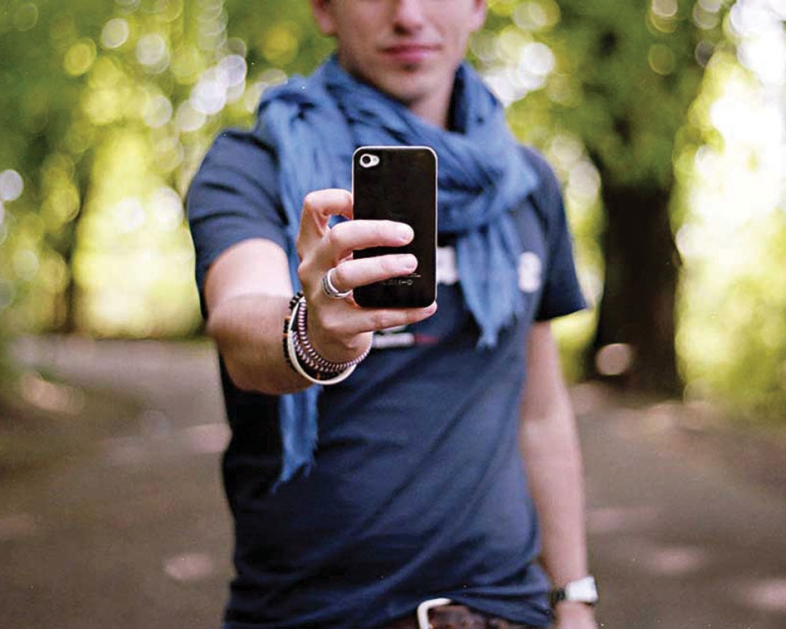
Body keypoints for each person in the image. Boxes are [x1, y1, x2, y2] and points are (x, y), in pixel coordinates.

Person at [187, 1, 598, 628]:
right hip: (310, 615)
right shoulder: (254, 164)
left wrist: (573, 598)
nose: (408, 15)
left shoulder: (525, 184)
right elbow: (241, 323)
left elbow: (540, 412)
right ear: (323, 8)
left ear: (478, 6)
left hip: (503, 611)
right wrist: (313, 334)